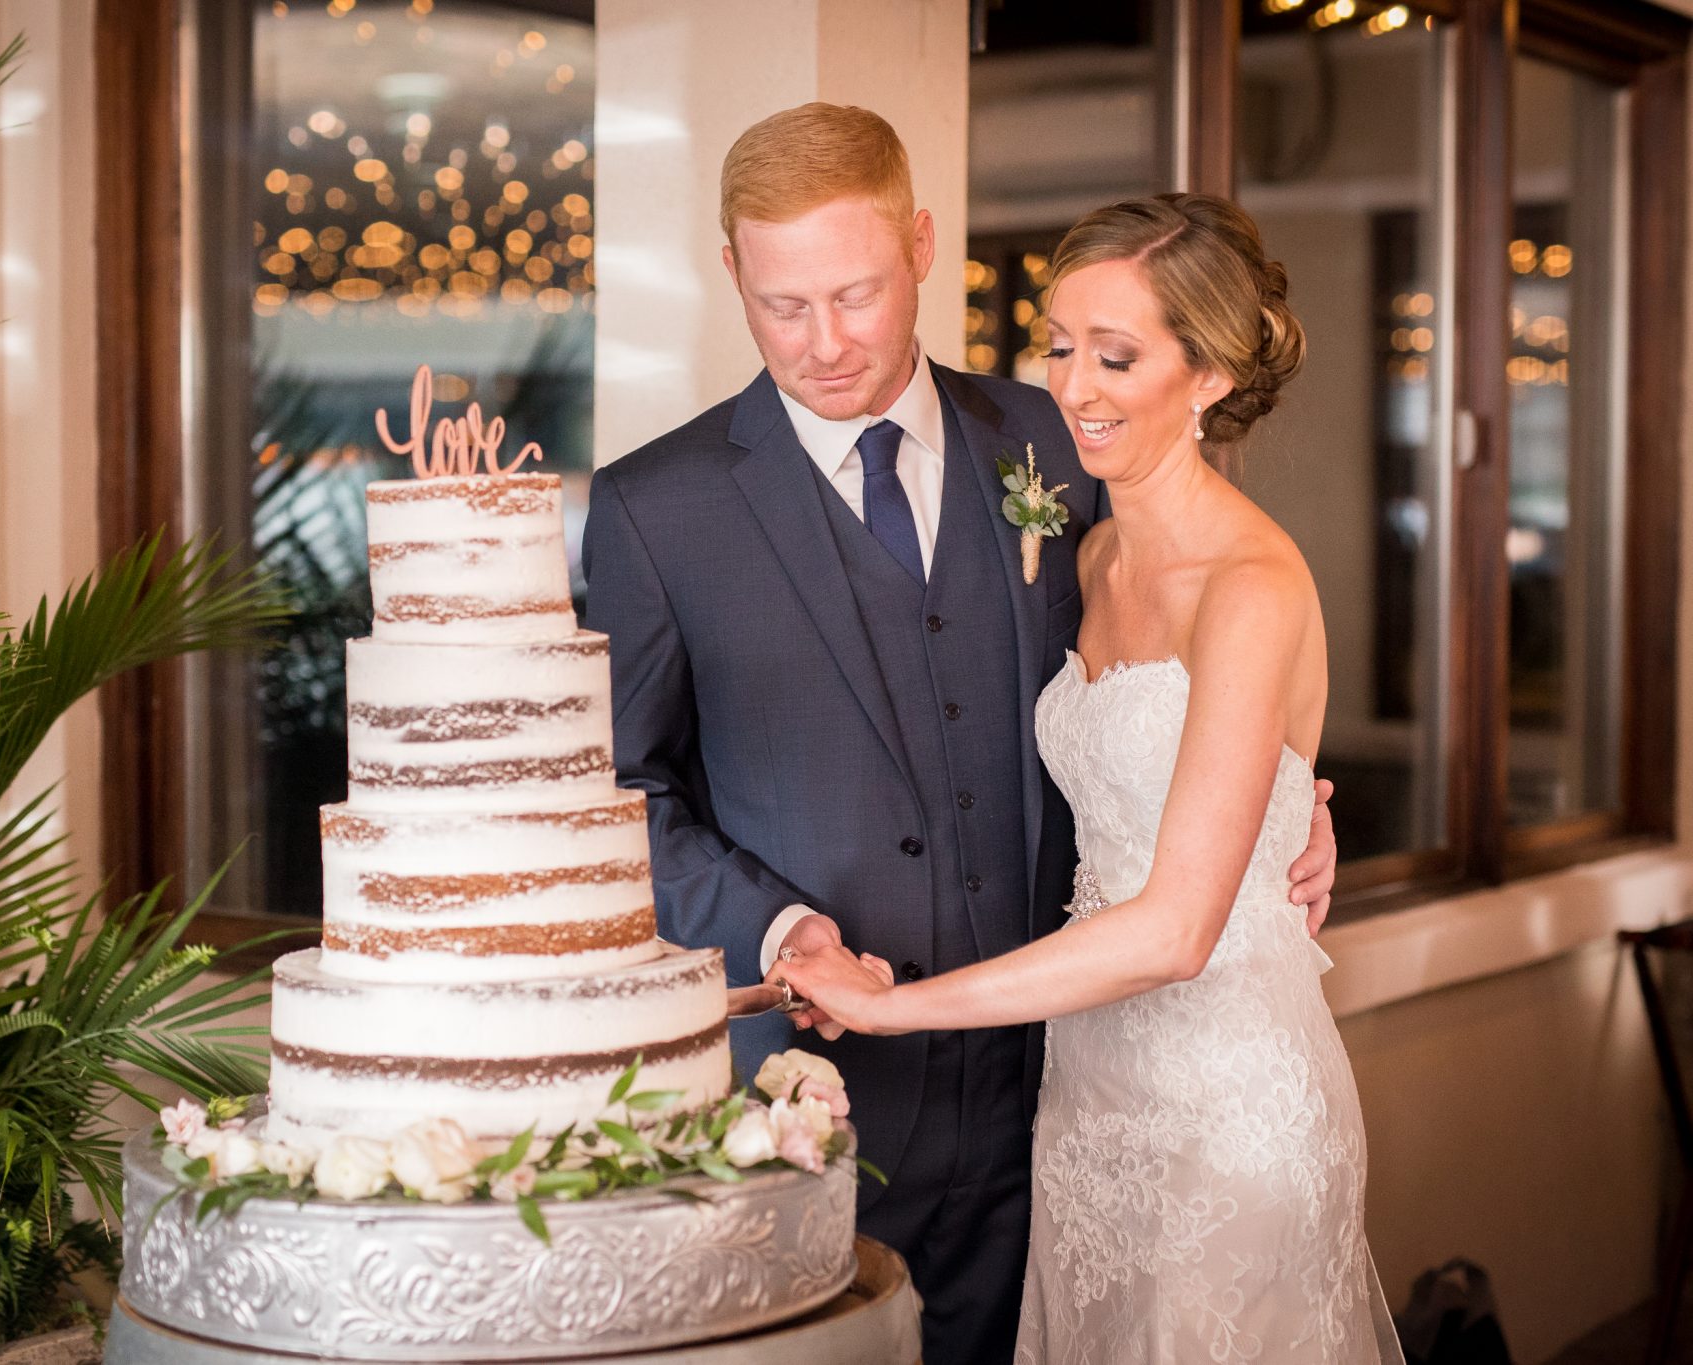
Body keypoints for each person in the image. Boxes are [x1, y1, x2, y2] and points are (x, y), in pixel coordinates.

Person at [580, 103, 1340, 1364]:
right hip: (810, 1100)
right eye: (782, 305)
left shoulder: (1063, 438)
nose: (823, 343)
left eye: (856, 294)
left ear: (922, 245)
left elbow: (1212, 654)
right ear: (730, 275)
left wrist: (1293, 802)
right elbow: (622, 792)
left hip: (1059, 1094)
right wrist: (777, 926)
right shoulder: (655, 509)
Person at [774, 192, 1405, 1362]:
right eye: (1058, 346)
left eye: (1115, 356)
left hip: (1230, 1113)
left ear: (1209, 376)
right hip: (1089, 1097)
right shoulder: (1090, 546)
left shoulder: (1252, 585)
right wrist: (1297, 809)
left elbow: (1173, 929)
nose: (1071, 387)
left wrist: (893, 1006)